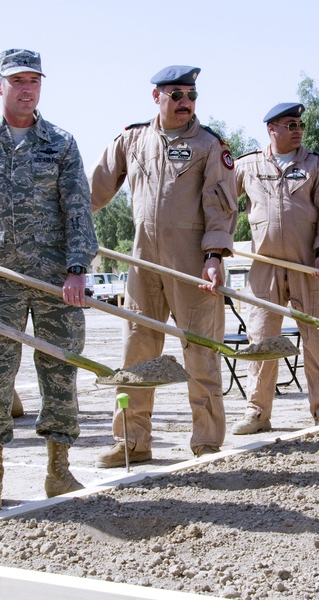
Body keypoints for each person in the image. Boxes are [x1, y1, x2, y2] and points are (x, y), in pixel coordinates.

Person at [0, 49, 97, 512]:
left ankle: (58, 469)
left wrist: (77, 269)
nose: (26, 88)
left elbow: (78, 208)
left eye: (34, 80)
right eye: (17, 80)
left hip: (54, 280)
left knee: (60, 371)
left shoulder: (59, 141)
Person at [89, 65, 237, 468]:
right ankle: (131, 441)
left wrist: (214, 257)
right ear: (156, 97)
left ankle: (206, 439)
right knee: (136, 352)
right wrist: (70, 227)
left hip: (191, 261)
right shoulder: (132, 140)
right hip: (142, 262)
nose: (185, 102)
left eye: (190, 95)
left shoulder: (209, 146)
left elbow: (221, 207)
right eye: (176, 95)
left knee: (200, 351)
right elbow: (94, 190)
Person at [231, 102, 319, 434]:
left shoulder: (316, 165)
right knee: (262, 339)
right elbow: (219, 199)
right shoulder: (247, 165)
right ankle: (257, 412)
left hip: (309, 267)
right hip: (265, 268)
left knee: (317, 338)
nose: (298, 131)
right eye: (290, 125)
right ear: (271, 129)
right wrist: (216, 241)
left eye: (300, 125)